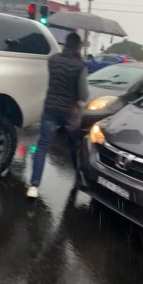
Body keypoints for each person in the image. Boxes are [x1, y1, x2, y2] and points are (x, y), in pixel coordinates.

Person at [28, 32, 88, 198]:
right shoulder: (80, 66)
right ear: (78, 46)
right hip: (70, 112)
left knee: (42, 146)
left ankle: (33, 186)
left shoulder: (53, 60)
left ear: (64, 44)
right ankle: (79, 178)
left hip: (50, 109)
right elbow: (83, 95)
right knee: (74, 145)